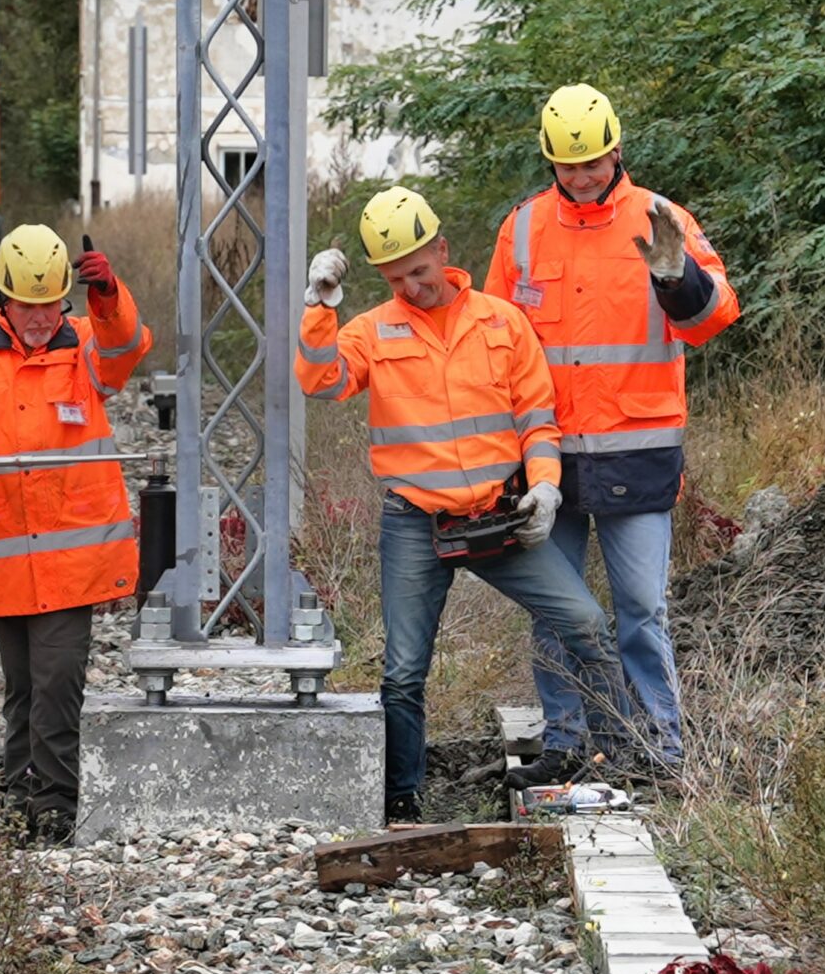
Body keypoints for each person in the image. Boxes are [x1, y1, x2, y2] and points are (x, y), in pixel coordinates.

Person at [297, 186, 642, 822]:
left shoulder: (502, 321)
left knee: (587, 623)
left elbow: (538, 418)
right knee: (403, 672)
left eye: (420, 271)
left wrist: (545, 485)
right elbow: (322, 380)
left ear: (443, 251)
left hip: (498, 516)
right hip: (415, 523)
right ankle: (402, 799)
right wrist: (320, 306)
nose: (412, 287)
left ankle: (615, 761)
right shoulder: (373, 330)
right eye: (396, 278)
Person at [485, 84, 738, 785]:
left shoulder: (661, 218)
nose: (583, 176)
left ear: (616, 150)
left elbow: (715, 318)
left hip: (639, 451)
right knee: (555, 609)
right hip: (546, 457)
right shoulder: (525, 229)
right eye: (569, 166)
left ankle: (660, 751)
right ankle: (565, 740)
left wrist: (677, 276)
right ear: (550, 162)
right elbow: (495, 339)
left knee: (641, 610)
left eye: (593, 162)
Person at [0, 225, 152, 846]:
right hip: (2, 561)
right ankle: (22, 786)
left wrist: (109, 297)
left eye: (51, 304)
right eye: (28, 305)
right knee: (23, 684)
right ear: (4, 299)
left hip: (73, 561)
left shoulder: (83, 350)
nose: (40, 318)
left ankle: (54, 802)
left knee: (56, 680)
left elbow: (127, 349)